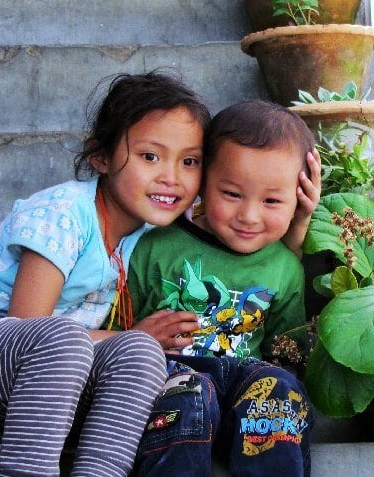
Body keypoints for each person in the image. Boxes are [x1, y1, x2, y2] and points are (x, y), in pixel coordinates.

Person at [0, 71, 211, 477]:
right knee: (72, 337)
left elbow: (236, 213)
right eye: (150, 156)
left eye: (190, 161)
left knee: (142, 353)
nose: (172, 176)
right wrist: (132, 333)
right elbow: (28, 323)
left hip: (23, 403)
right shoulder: (64, 214)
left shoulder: (146, 223)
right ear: (101, 157)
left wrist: (299, 225)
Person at [124, 100, 321, 477]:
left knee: (280, 388)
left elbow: (287, 350)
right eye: (231, 194)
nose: (249, 215)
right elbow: (119, 335)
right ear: (203, 182)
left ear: (297, 197)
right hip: (174, 386)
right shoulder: (154, 249)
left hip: (246, 393)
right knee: (188, 393)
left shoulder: (284, 267)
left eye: (271, 201)